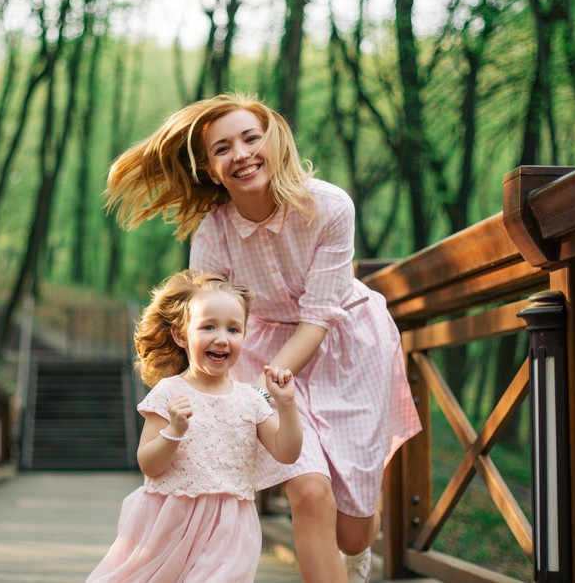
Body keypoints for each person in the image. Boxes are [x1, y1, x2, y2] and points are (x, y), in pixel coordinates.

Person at [104, 93, 422, 583]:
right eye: (223, 148)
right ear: (211, 169)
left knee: (354, 531)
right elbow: (204, 320)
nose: (242, 154)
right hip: (263, 348)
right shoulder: (214, 231)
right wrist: (194, 392)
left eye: (252, 138)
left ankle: (355, 552)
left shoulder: (330, 206)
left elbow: (318, 317)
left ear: (273, 144)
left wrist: (256, 391)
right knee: (309, 491)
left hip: (347, 345)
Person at [87, 269, 303, 582]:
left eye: (233, 329)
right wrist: (172, 432)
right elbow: (149, 464)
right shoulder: (170, 392)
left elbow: (287, 452)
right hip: (171, 524)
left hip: (231, 527)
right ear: (180, 334)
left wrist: (287, 405)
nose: (221, 338)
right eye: (208, 327)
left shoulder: (250, 399)